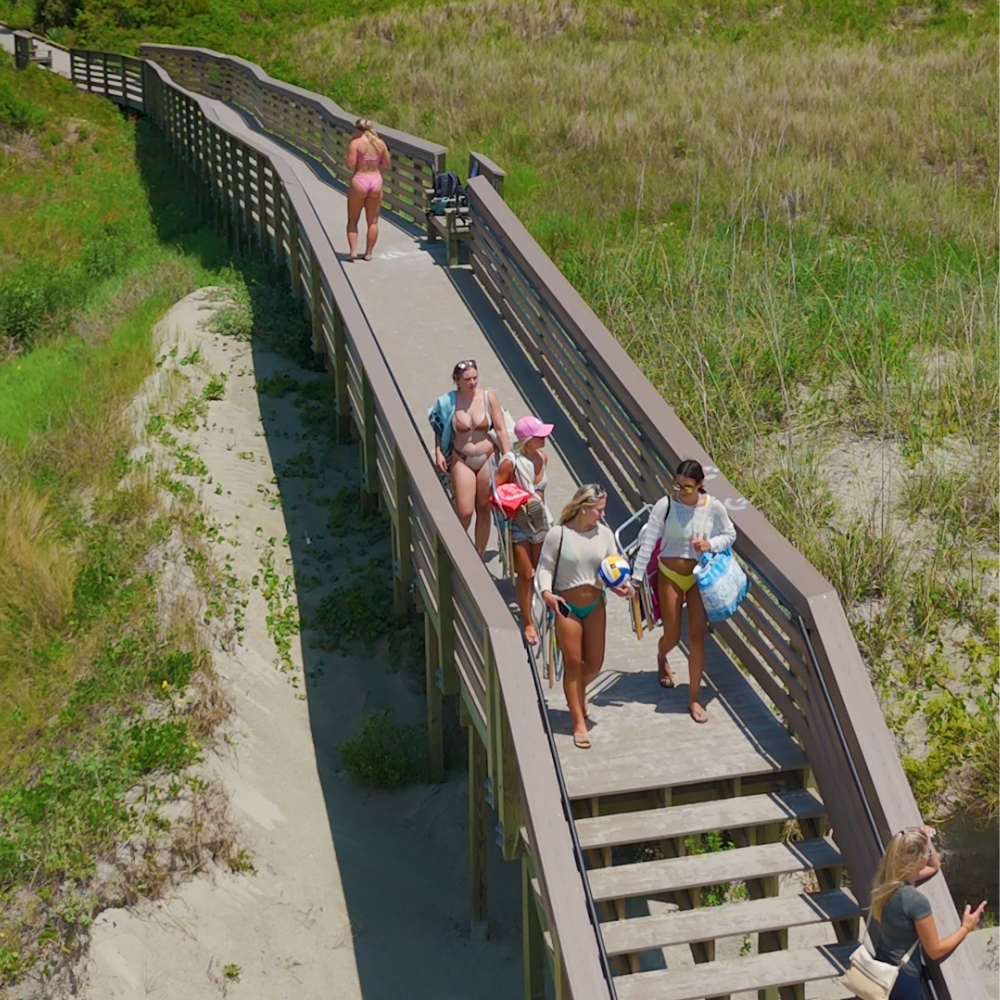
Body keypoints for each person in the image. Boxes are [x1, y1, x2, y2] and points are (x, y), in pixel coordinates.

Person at [632, 459, 736, 723]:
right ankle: (661, 656)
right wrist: (634, 579)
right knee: (673, 633)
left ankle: (693, 699)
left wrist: (710, 543)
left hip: (698, 578)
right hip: (669, 574)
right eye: (677, 484)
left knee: (697, 638)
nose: (681, 491)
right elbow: (648, 543)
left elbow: (730, 534)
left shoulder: (714, 508)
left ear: (700, 485)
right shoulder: (665, 505)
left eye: (687, 487)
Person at [536, 485, 631, 749]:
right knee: (574, 662)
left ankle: (577, 694)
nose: (602, 514)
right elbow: (544, 566)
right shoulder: (559, 534)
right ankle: (578, 721)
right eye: (599, 509)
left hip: (595, 603)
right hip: (566, 605)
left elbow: (615, 567)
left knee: (595, 664)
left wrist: (623, 587)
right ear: (584, 507)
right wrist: (546, 593)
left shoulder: (605, 534)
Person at [869, 825, 985, 999]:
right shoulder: (916, 902)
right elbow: (935, 950)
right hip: (903, 978)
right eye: (926, 855)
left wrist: (926, 840)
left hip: (881, 967)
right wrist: (966, 927)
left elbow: (934, 867)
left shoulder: (886, 881)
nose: (930, 856)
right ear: (917, 861)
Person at [429, 361, 511, 558]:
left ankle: (479, 555)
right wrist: (439, 451)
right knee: (465, 511)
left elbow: (500, 429)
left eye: (475, 378)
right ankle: (455, 550)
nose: (472, 382)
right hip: (462, 457)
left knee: (483, 508)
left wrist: (508, 456)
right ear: (457, 381)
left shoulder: (488, 398)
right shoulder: (448, 401)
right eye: (467, 379)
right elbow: (440, 429)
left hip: (487, 457)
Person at [494, 415, 554, 645]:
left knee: (541, 570)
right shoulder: (511, 462)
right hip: (518, 520)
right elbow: (497, 492)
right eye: (540, 436)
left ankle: (539, 609)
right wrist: (517, 503)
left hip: (539, 520)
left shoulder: (542, 457)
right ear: (528, 439)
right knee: (526, 573)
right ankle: (528, 621)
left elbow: (543, 492)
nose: (545, 438)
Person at [346, 117, 389, 262]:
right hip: (376, 181)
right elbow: (386, 163)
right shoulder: (380, 143)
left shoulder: (355, 143)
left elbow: (350, 164)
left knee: (353, 219)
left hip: (360, 180)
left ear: (358, 129)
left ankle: (353, 251)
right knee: (373, 221)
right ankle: (368, 253)